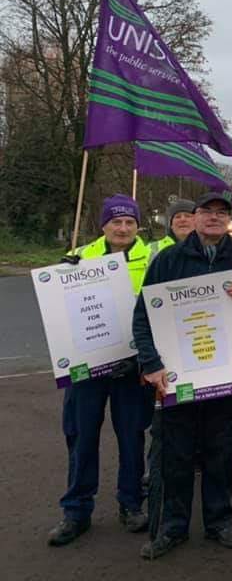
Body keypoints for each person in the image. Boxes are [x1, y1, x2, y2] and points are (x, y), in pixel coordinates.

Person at [134, 191, 232, 559]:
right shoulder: (169, 259)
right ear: (195, 216)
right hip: (177, 377)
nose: (214, 217)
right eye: (207, 211)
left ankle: (219, 521)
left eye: (222, 212)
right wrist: (151, 363)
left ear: (228, 219)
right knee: (176, 455)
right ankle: (173, 526)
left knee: (220, 453)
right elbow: (143, 316)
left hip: (222, 375)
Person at [48, 195, 153, 547]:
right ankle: (76, 511)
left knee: (132, 438)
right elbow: (59, 311)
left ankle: (131, 504)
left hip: (131, 366)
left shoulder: (153, 258)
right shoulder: (79, 257)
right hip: (87, 369)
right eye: (116, 221)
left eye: (129, 222)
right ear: (103, 224)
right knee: (81, 437)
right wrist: (58, 278)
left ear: (138, 225)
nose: (123, 228)